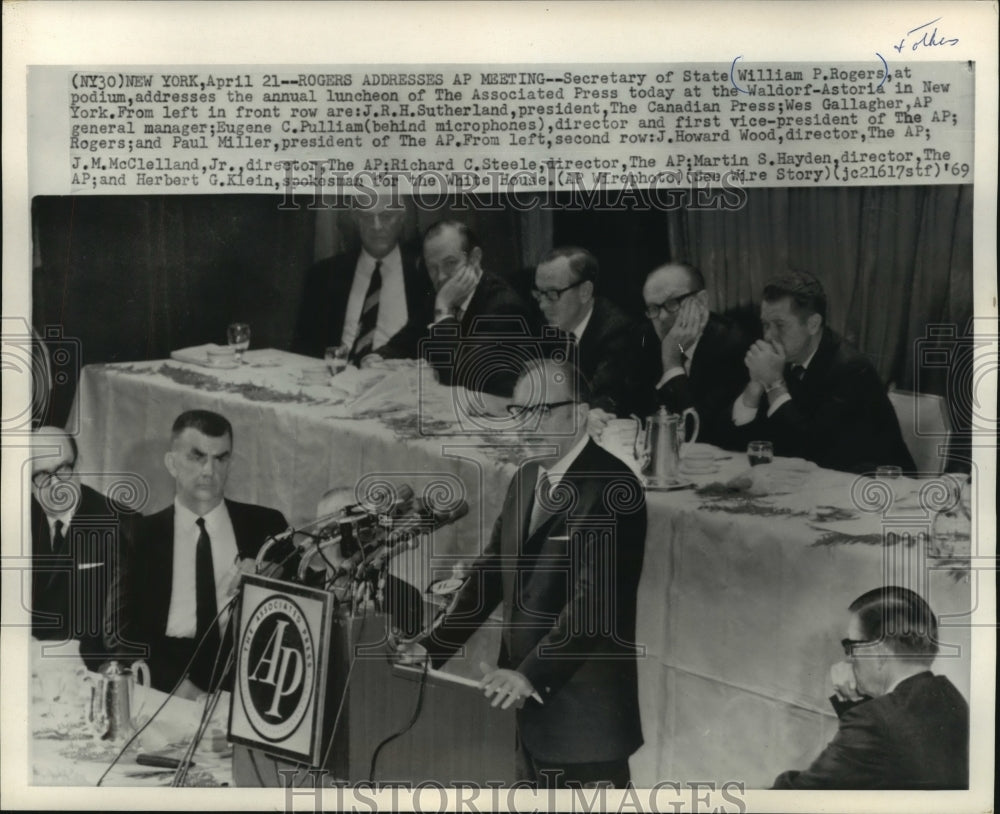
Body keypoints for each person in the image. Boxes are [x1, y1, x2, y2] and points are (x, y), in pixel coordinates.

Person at [396, 359, 647, 788]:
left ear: (580, 413)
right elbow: (491, 572)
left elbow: (593, 609)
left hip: (582, 727)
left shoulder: (611, 488)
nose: (526, 425)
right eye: (519, 412)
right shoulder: (528, 476)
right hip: (524, 714)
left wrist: (528, 673)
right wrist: (433, 646)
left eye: (541, 411)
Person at [120, 410, 287, 697]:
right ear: (172, 463)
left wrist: (274, 580)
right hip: (168, 681)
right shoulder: (139, 536)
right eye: (197, 457)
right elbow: (118, 633)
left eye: (220, 458)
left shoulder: (266, 527)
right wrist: (179, 689)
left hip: (247, 678)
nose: (209, 471)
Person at [773, 585, 968, 789]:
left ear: (880, 652)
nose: (849, 659)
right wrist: (855, 705)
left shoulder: (872, 722)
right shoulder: (953, 699)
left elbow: (798, 795)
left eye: (852, 646)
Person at [732, 270, 915, 473]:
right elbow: (739, 441)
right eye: (766, 324)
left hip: (880, 487)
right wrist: (756, 384)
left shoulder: (851, 369)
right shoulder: (781, 359)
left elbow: (812, 451)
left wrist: (774, 384)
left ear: (813, 324)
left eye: (780, 326)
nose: (768, 336)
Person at [372, 220, 536, 396]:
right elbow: (402, 345)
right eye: (432, 268)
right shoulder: (441, 296)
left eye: (450, 263)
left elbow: (459, 377)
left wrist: (444, 311)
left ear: (474, 258)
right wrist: (377, 358)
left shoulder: (503, 306)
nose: (441, 276)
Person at [29, 426, 135, 672]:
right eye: (42, 475)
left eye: (63, 469)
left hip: (86, 673)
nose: (57, 485)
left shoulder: (121, 525)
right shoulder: (14, 522)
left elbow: (121, 637)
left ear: (79, 464)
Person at [291, 195, 434, 362]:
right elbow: (303, 347)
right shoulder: (324, 274)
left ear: (402, 218)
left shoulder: (424, 274)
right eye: (367, 217)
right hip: (338, 377)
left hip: (398, 380)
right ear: (356, 220)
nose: (376, 226)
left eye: (386, 216)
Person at [628, 263, 750, 448]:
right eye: (653, 308)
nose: (661, 317)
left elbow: (698, 434)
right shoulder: (644, 338)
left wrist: (671, 362)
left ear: (702, 301)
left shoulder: (734, 344)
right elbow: (637, 412)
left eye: (671, 304)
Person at [532, 246, 636, 421]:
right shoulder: (551, 324)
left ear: (585, 292)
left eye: (552, 294)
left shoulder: (617, 331)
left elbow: (604, 399)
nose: (542, 305)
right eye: (539, 294)